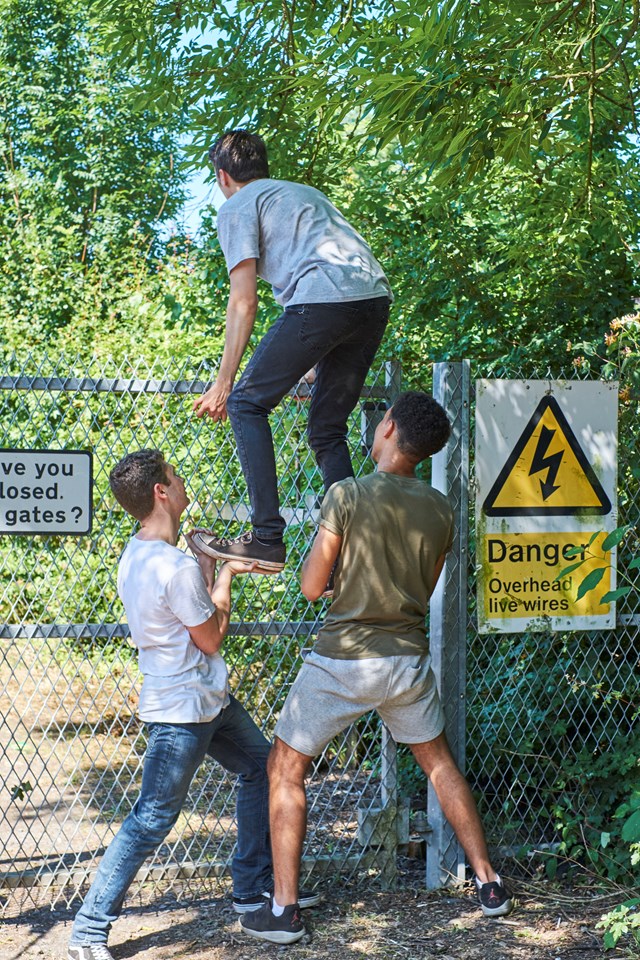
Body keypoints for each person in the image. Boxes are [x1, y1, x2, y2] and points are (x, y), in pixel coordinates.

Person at [239, 392, 513, 945]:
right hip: (407, 661)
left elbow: (312, 586)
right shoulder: (440, 508)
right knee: (438, 764)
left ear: (387, 428)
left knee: (285, 766)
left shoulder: (347, 494)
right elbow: (423, 590)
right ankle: (490, 883)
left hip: (346, 658)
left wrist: (342, 577)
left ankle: (284, 909)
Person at [67, 450, 319, 960]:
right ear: (161, 492)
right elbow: (211, 636)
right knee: (151, 819)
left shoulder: (138, 554)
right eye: (175, 478)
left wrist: (204, 563)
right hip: (181, 713)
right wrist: (225, 575)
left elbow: (187, 613)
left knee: (260, 767)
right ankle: (88, 931)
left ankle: (251, 891)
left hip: (205, 701)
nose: (183, 484)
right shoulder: (173, 567)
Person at [192, 129, 392, 573]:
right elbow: (337, 282)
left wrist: (224, 384)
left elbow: (244, 300)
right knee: (326, 428)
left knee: (247, 403)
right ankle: (353, 550)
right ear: (262, 168)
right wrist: (309, 366)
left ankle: (266, 538)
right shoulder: (302, 194)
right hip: (373, 301)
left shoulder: (237, 206)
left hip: (323, 304)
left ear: (223, 176)